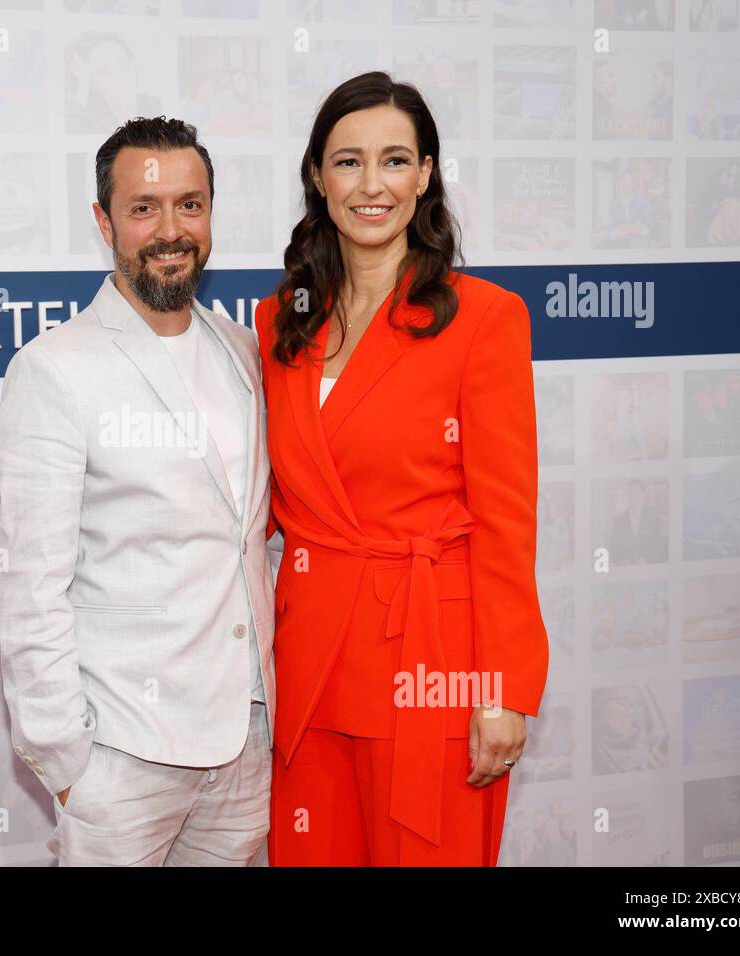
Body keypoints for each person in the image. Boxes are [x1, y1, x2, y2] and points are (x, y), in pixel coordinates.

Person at [256, 71, 549, 866]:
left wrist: (504, 690)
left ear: (425, 176)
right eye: (347, 162)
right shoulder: (280, 320)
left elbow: (505, 520)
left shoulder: (484, 319)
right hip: (310, 662)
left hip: (431, 664)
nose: (371, 184)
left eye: (394, 160)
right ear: (318, 178)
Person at [0, 116, 275, 866]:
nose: (170, 229)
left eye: (191, 204)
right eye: (144, 208)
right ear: (104, 220)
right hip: (122, 755)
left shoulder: (242, 351)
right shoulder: (55, 369)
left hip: (245, 747)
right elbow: (30, 585)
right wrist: (69, 766)